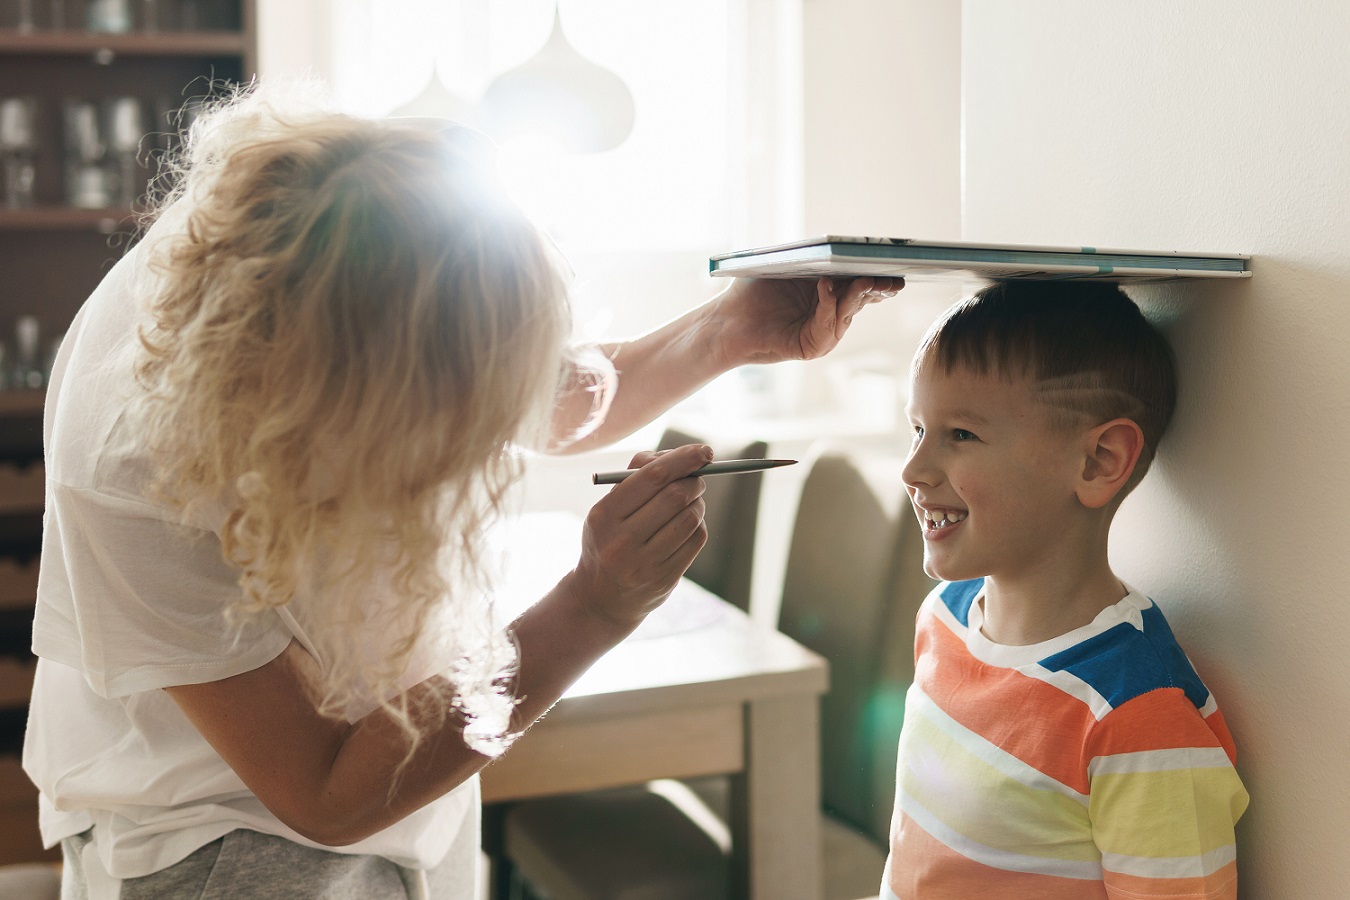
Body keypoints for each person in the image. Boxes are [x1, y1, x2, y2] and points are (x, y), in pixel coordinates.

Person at [20, 83, 900, 900]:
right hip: (224, 843)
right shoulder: (136, 465)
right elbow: (324, 793)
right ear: (336, 398)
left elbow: (542, 396)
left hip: (402, 789)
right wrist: (594, 607)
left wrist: (727, 330)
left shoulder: (385, 239)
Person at [882, 281, 1249, 899]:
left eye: (961, 435)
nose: (913, 470)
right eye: (917, 429)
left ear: (1100, 461)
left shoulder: (1137, 716)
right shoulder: (942, 618)